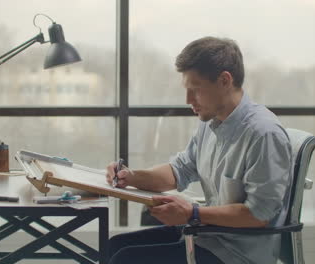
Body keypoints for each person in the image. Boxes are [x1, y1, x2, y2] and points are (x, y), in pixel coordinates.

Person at [105, 36, 292, 264]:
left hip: (235, 253)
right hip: (205, 235)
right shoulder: (210, 123)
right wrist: (132, 176)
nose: (188, 99)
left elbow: (258, 214)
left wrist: (193, 213)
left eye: (195, 89)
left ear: (225, 80)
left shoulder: (263, 134)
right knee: (114, 247)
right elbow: (179, 171)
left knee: (125, 260)